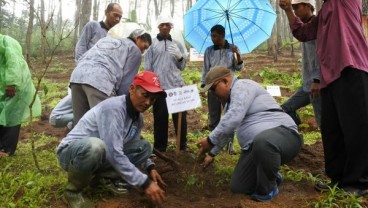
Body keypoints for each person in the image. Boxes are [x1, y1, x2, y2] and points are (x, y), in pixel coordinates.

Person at [280, 0, 368, 196]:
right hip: (330, 77)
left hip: (351, 68)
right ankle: (338, 179)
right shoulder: (325, 11)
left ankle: (358, 183)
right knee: (332, 131)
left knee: (355, 129)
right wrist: (288, 10)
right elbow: (304, 33)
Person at [57, 71, 167, 207]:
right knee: (95, 146)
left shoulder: (138, 118)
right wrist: (144, 182)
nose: (148, 102)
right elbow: (113, 152)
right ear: (132, 89)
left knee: (144, 147)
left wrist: (150, 167)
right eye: (145, 95)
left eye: (153, 99)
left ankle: (99, 179)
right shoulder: (113, 109)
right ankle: (72, 192)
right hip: (72, 153)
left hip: (100, 155)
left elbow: (131, 145)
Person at [197, 66, 303, 202]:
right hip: (256, 147)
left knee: (263, 141)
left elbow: (234, 118)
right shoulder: (231, 104)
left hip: (284, 135)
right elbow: (228, 129)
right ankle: (272, 175)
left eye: (213, 89)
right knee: (239, 186)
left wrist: (210, 140)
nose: (213, 94)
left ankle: (268, 188)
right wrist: (212, 153)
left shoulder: (242, 86)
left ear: (225, 81)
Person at [70, 29, 152, 126]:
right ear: (138, 38)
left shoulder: (106, 40)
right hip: (100, 80)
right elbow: (126, 85)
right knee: (107, 125)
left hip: (77, 77)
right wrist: (125, 108)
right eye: (144, 47)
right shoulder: (134, 49)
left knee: (81, 124)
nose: (143, 51)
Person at [144, 14, 188, 152]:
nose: (164, 27)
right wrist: (150, 87)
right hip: (159, 88)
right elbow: (147, 67)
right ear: (158, 26)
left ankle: (182, 146)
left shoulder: (178, 44)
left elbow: (182, 67)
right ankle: (160, 147)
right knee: (160, 118)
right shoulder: (151, 44)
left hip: (176, 86)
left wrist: (180, 57)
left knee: (180, 119)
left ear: (171, 27)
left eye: (167, 24)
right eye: (162, 24)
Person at [201, 24, 244, 154]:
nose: (213, 38)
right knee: (214, 116)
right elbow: (205, 68)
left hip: (228, 88)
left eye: (215, 36)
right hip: (212, 87)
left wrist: (237, 54)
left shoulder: (233, 49)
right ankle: (213, 143)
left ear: (222, 35)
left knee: (229, 116)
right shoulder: (209, 50)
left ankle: (229, 145)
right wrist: (203, 85)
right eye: (211, 36)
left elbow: (239, 68)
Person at [280, 0, 321, 127]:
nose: (295, 12)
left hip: (318, 85)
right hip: (307, 85)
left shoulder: (317, 26)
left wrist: (318, 80)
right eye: (294, 8)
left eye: (297, 8)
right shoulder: (303, 28)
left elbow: (322, 55)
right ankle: (295, 132)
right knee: (284, 108)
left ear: (308, 6)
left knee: (323, 123)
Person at [0, 34, 41, 157]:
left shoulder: (5, 41)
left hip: (16, 84)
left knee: (12, 116)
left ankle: (6, 150)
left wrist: (12, 83)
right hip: (4, 84)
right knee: (2, 114)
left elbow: (14, 62)